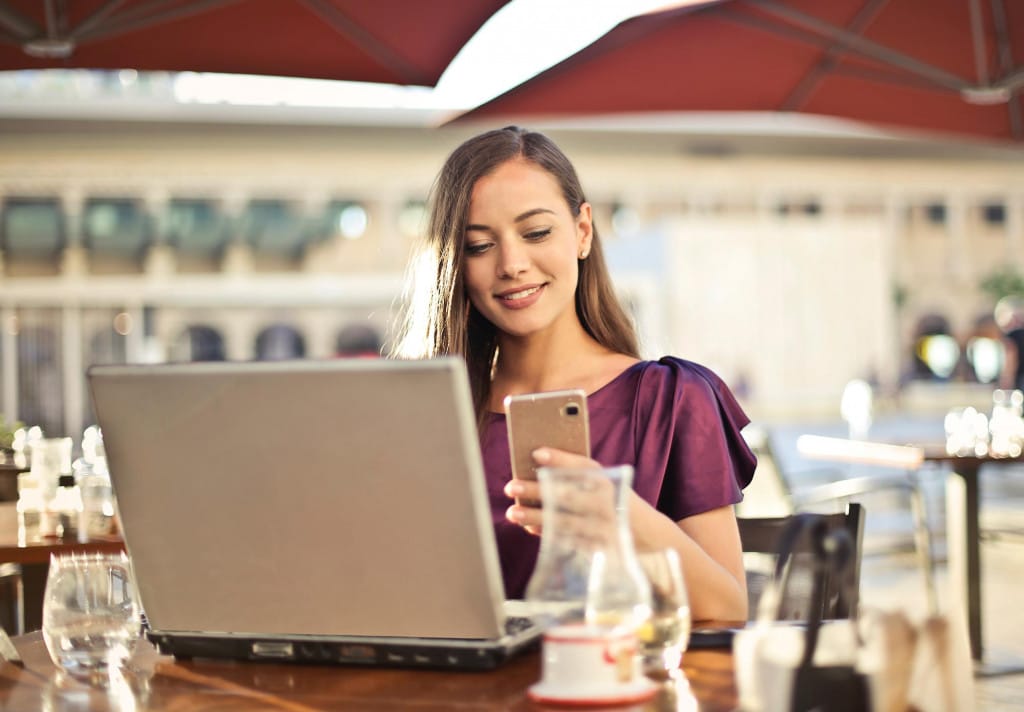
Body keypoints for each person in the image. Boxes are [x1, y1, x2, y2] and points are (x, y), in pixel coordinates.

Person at [392, 126, 756, 621]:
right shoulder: (425, 413)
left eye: (536, 233)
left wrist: (619, 516)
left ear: (582, 231)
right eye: (479, 246)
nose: (512, 264)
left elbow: (729, 607)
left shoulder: (670, 398)